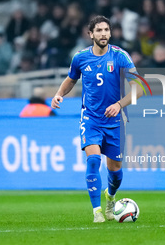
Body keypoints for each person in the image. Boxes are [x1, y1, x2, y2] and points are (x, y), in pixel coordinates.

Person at [51, 16, 142, 223]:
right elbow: (71, 79)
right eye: (99, 30)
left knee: (115, 171)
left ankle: (110, 197)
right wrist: (59, 94)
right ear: (90, 34)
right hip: (91, 118)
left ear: (110, 33)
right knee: (93, 159)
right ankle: (97, 212)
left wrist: (119, 104)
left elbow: (140, 88)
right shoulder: (80, 58)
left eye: (106, 30)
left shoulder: (120, 56)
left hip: (116, 121)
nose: (104, 34)